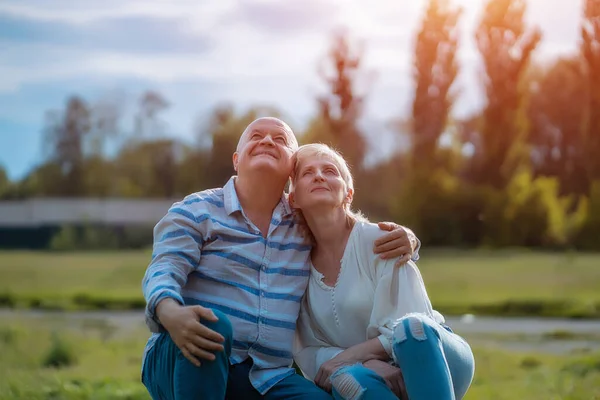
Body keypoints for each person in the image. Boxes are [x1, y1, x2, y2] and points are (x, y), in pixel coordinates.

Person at [141, 117, 420, 400]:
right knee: (212, 324)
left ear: (291, 170)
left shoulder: (302, 220)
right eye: (256, 136)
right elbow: (165, 267)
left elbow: (343, 223)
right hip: (187, 353)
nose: (267, 141)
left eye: (280, 139)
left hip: (267, 377)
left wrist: (408, 237)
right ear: (237, 160)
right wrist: (169, 311)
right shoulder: (197, 210)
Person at [292, 144, 475, 400]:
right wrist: (362, 363)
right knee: (348, 380)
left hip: (433, 354)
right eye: (307, 172)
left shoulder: (381, 241)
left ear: (349, 193)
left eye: (330, 171)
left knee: (412, 328)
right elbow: (309, 349)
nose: (319, 175)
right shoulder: (294, 265)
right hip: (366, 370)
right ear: (294, 197)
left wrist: (351, 356)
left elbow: (414, 322)